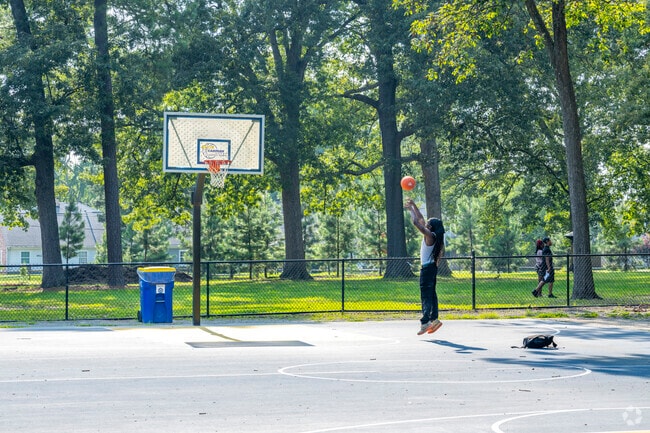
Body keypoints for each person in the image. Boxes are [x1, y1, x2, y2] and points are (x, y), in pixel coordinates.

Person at [404, 198, 445, 335]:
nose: (425, 223)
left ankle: (426, 321)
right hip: (432, 268)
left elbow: (417, 222)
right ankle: (434, 319)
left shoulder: (430, 236)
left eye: (427, 224)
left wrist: (411, 212)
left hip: (427, 269)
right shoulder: (435, 236)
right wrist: (413, 206)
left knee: (426, 296)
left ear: (430, 227)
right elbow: (421, 219)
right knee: (432, 294)